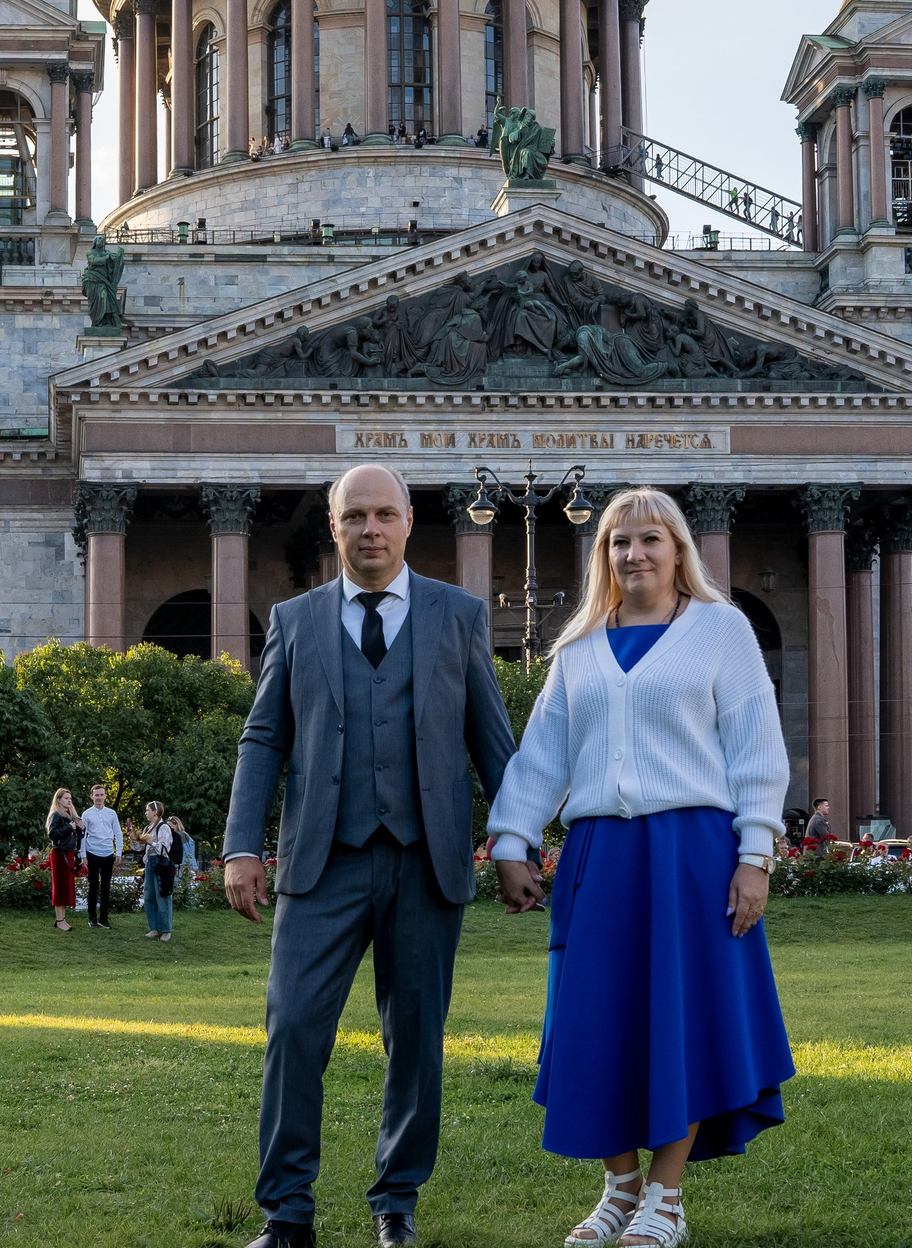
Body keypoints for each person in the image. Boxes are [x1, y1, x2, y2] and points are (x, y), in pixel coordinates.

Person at [486, 487, 794, 1248]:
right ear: (604, 556)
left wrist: (756, 853)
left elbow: (756, 744)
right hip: (601, 853)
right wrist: (511, 840)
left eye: (651, 539)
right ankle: (619, 1186)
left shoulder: (721, 631)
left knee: (678, 1019)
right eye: (620, 543)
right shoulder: (579, 649)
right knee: (593, 1019)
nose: (635, 554)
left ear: (679, 548)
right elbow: (540, 758)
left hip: (692, 854)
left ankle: (666, 1195)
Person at [222, 463, 516, 1248]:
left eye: (385, 513)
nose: (371, 529)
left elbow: (493, 741)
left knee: (416, 1037)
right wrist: (241, 844)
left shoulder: (458, 616)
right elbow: (264, 738)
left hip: (428, 859)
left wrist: (516, 840)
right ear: (334, 526)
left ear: (410, 521)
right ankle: (287, 1212)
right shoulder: (295, 619)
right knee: (292, 1026)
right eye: (355, 516)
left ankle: (397, 1199)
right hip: (322, 861)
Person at [80, 785, 124, 929]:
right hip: (92, 853)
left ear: (105, 796)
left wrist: (118, 853)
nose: (99, 798)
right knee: (93, 885)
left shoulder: (111, 814)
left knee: (106, 886)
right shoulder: (86, 814)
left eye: (101, 795)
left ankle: (104, 919)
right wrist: (83, 855)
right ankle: (92, 918)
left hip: (107, 853)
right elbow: (83, 836)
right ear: (91, 796)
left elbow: (118, 833)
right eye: (96, 795)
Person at [140, 801, 178, 941]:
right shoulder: (148, 828)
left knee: (162, 894)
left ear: (155, 812)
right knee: (149, 895)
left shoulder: (163, 828)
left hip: (160, 863)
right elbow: (140, 847)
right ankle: (154, 928)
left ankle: (166, 929)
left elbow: (164, 849)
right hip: (150, 861)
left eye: (148, 810)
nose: (146, 813)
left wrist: (150, 842)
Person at [46, 788, 82, 932]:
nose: (69, 800)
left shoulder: (69, 815)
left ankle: (62, 919)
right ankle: (59, 920)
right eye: (66, 798)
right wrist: (69, 828)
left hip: (68, 852)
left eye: (70, 798)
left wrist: (80, 828)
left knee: (66, 886)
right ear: (59, 800)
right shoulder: (56, 815)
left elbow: (75, 836)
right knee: (60, 886)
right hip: (60, 853)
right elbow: (52, 833)